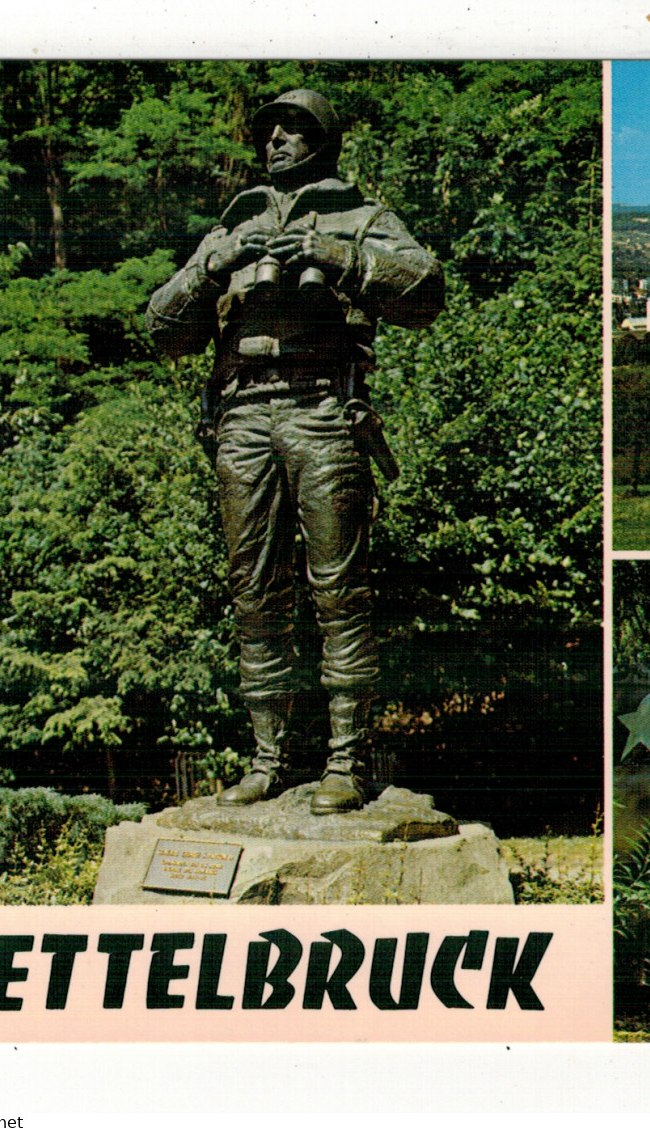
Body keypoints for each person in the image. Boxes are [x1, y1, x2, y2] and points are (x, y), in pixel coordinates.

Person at [145, 88, 444, 813]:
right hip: (242, 412)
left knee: (337, 590)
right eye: (270, 128)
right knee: (253, 592)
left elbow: (427, 292)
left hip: (320, 406)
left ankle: (346, 761)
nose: (276, 138)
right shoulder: (233, 223)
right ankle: (266, 761)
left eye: (295, 127)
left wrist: (332, 253)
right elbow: (160, 329)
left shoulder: (361, 216)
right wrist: (214, 264)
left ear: (326, 138)